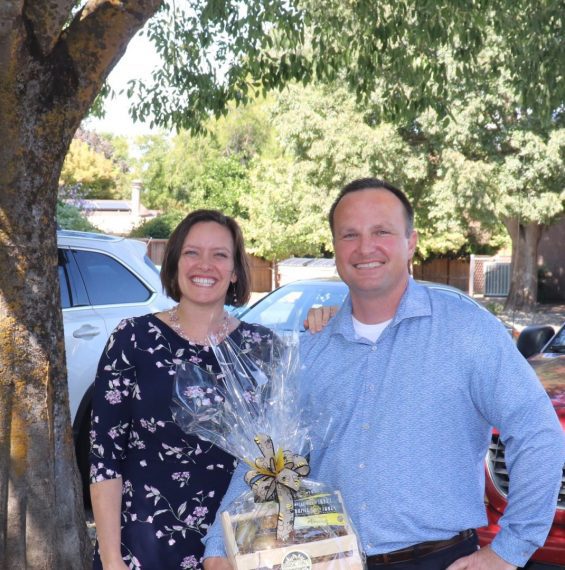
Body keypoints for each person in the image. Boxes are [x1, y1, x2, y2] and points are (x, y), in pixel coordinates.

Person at [202, 178, 565, 570]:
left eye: (382, 231)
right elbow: (263, 458)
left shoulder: (466, 330)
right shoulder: (309, 350)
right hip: (325, 560)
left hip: (441, 559)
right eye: (350, 234)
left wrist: (510, 548)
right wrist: (219, 548)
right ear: (335, 248)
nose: (364, 247)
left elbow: (537, 431)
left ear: (411, 242)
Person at [89, 209, 281, 569]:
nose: (204, 265)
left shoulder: (263, 348)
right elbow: (105, 459)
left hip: (233, 550)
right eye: (192, 252)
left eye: (219, 255)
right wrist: (112, 559)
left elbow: (276, 459)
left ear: (236, 270)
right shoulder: (134, 338)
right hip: (142, 550)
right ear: (175, 261)